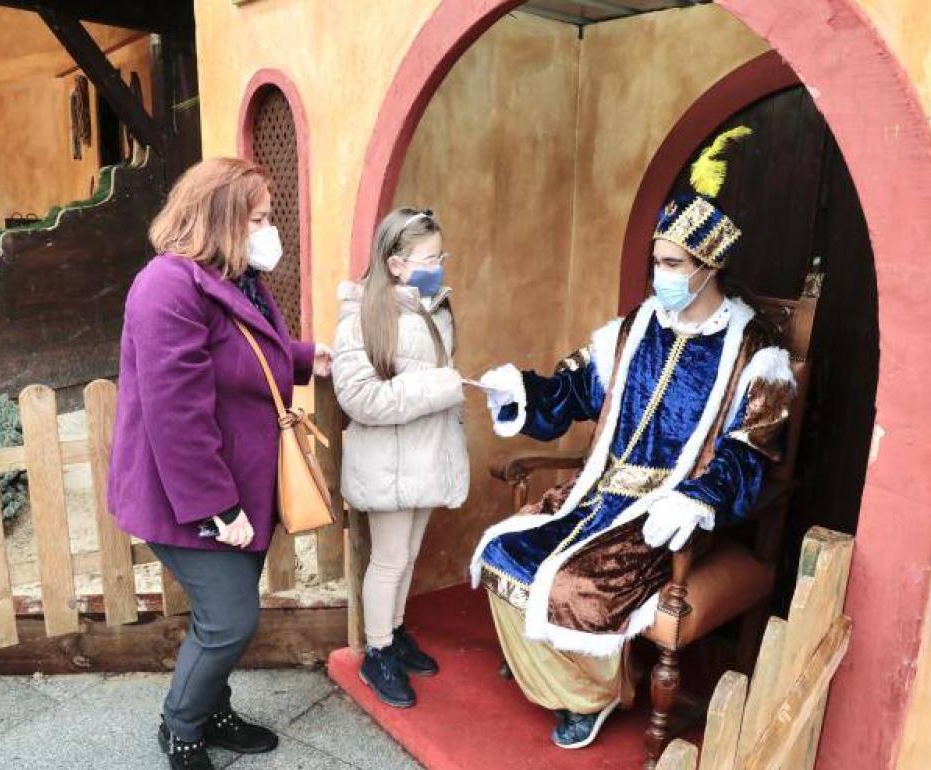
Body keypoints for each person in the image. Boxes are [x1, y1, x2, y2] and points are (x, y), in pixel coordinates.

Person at [470, 127, 795, 749]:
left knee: (573, 585)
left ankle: (592, 697)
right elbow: (575, 389)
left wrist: (698, 498)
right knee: (502, 548)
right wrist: (524, 392)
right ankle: (574, 675)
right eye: (657, 261)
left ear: (709, 267)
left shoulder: (755, 354)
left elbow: (751, 452)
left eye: (673, 265)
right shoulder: (633, 330)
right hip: (599, 491)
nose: (660, 275)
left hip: (670, 515)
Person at [106, 157, 332, 770]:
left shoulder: (230, 277)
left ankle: (213, 711)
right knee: (230, 621)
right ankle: (181, 726)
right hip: (193, 497)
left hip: (244, 485)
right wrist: (218, 508)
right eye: (257, 217)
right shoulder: (166, 285)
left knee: (221, 615)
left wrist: (308, 358)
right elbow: (175, 412)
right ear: (221, 218)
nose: (267, 228)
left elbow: (248, 350)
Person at [332, 207, 468, 708]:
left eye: (441, 255)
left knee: (408, 555)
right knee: (388, 559)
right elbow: (362, 399)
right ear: (395, 263)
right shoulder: (365, 317)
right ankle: (378, 653)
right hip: (386, 464)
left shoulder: (433, 307)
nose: (439, 265)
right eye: (429, 258)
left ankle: (394, 630)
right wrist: (440, 389)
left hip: (425, 457)